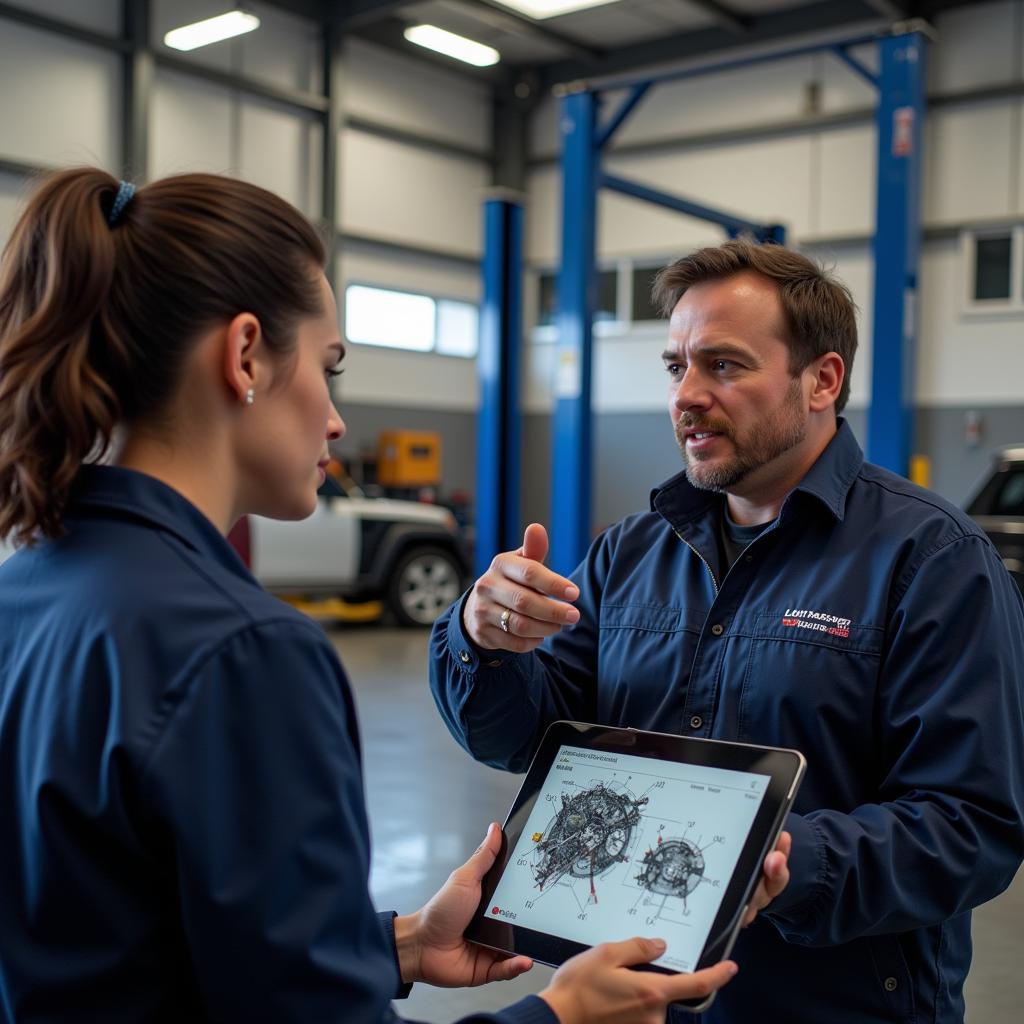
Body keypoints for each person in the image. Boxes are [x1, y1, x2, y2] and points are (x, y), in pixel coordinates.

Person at [0, 169, 769, 1023]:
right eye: (327, 368)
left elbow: (136, 938)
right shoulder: (239, 652)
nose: (333, 419)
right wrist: (562, 1017)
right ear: (245, 353)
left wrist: (392, 947)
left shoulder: (27, 590)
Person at [430, 240, 1024, 1024]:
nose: (688, 395)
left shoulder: (932, 561)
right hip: (634, 995)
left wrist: (782, 860)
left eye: (724, 365)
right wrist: (484, 643)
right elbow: (523, 739)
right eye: (677, 366)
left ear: (822, 379)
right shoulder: (629, 553)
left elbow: (970, 825)